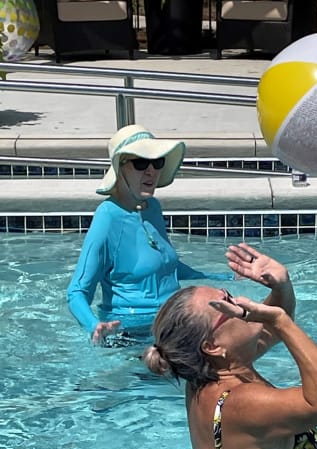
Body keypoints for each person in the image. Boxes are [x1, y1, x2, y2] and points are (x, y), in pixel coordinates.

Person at [143, 242, 317, 449]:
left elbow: (269, 330)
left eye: (229, 295)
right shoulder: (243, 401)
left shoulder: (209, 370)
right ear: (212, 346)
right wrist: (280, 320)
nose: (241, 304)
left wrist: (281, 285)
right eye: (227, 307)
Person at [67, 124, 229, 346]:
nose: (151, 171)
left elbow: (166, 266)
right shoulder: (107, 217)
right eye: (141, 163)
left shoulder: (152, 207)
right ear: (120, 168)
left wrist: (221, 277)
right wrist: (94, 325)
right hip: (133, 333)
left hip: (173, 321)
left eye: (157, 162)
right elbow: (77, 291)